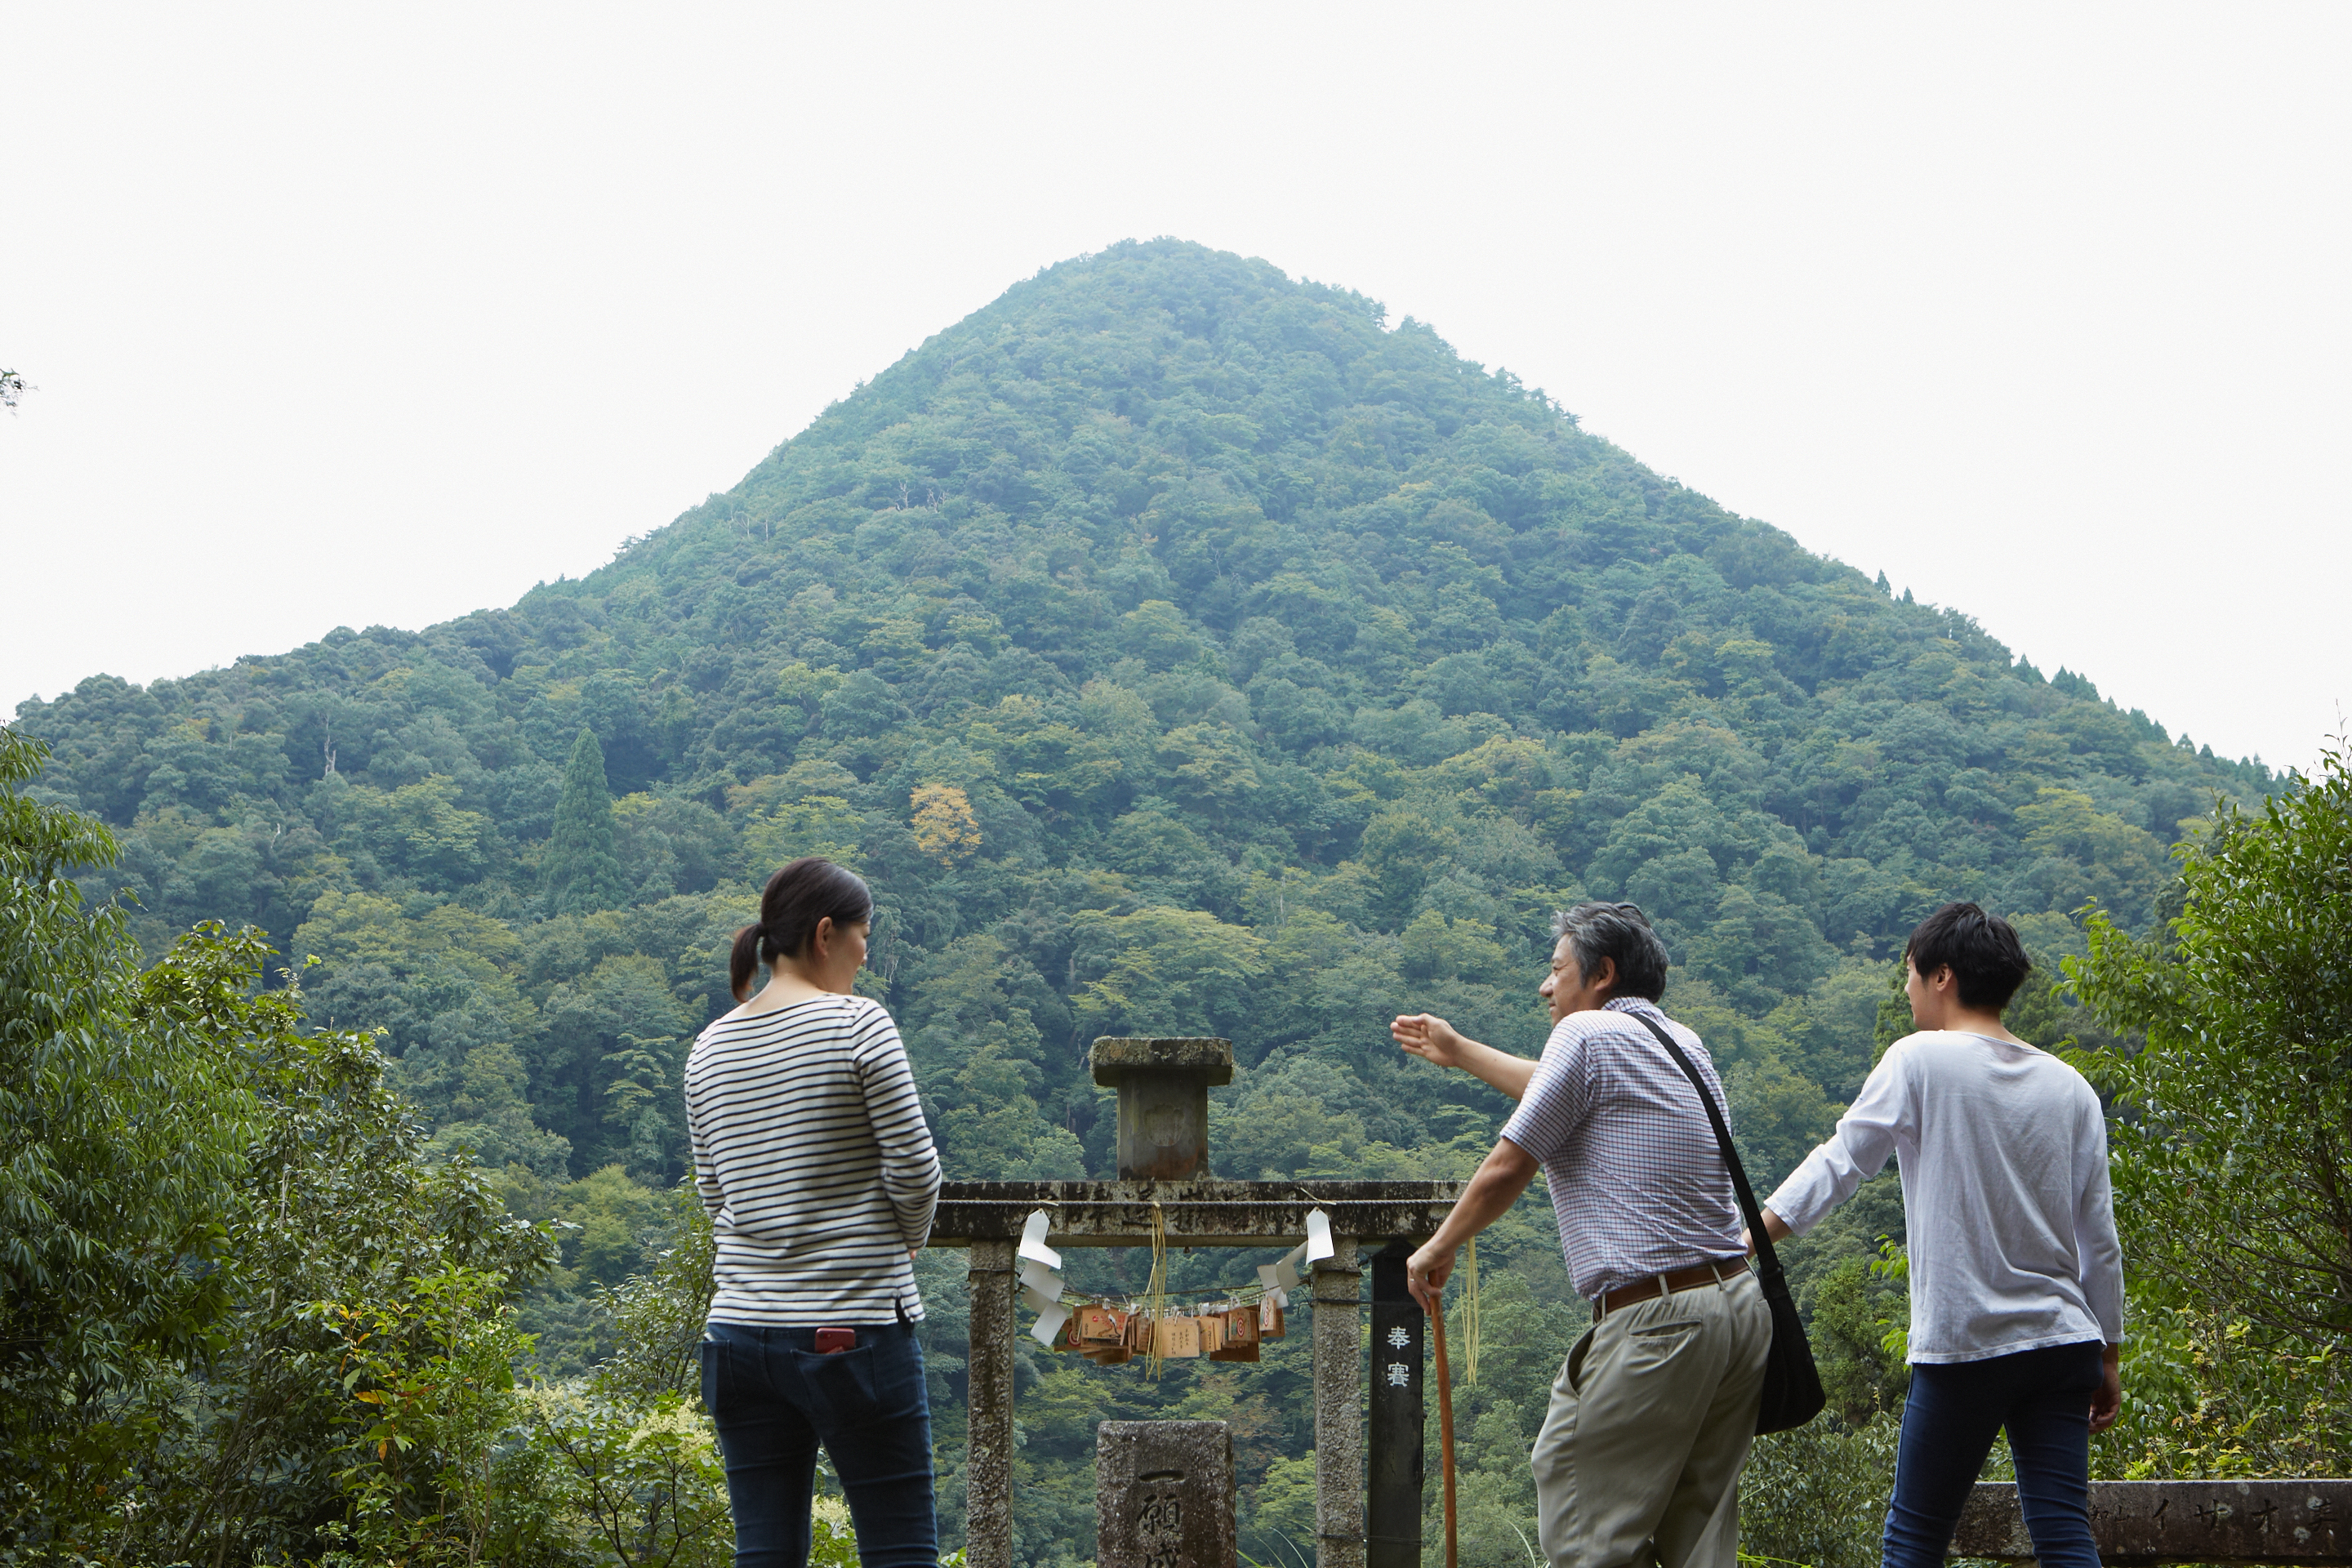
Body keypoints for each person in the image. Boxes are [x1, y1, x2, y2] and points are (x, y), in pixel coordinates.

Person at [1396, 902, 1771, 1568]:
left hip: (1658, 1320)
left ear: (1601, 974)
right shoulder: (1683, 1044)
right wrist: (1460, 1053)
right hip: (1737, 1312)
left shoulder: (1585, 1035)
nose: (1546, 986)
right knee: (1701, 1542)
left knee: (1585, 1527)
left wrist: (1437, 1245)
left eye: (1556, 970)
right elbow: (1560, 1090)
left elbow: (1510, 1163)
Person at [1755, 902, 2123, 1568]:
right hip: (2064, 1341)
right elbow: (2098, 1237)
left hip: (1968, 1342)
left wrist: (1749, 1239)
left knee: (1915, 1541)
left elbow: (1841, 1163)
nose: (1906, 990)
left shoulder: (1919, 1059)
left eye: (1910, 975)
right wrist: (2110, 1353)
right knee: (2064, 1534)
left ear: (1943, 976)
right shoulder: (2071, 1088)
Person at [685, 857, 943, 1568]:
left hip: (738, 1334)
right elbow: (917, 1173)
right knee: (900, 1552)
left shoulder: (708, 1048)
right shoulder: (860, 1026)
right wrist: (910, 1239)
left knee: (764, 1554)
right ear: (826, 934)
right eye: (864, 937)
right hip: (850, 1331)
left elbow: (717, 1197)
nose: (866, 955)